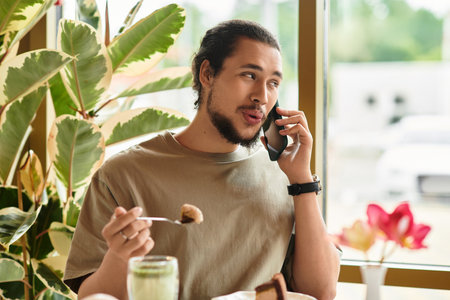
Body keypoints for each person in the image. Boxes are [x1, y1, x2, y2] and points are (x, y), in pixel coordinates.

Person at [64, 19, 340, 300]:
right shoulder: (122, 174)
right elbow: (91, 297)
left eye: (273, 83)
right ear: (207, 73)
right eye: (249, 75)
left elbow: (320, 292)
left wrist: (302, 181)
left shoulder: (285, 174)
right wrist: (120, 257)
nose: (262, 96)